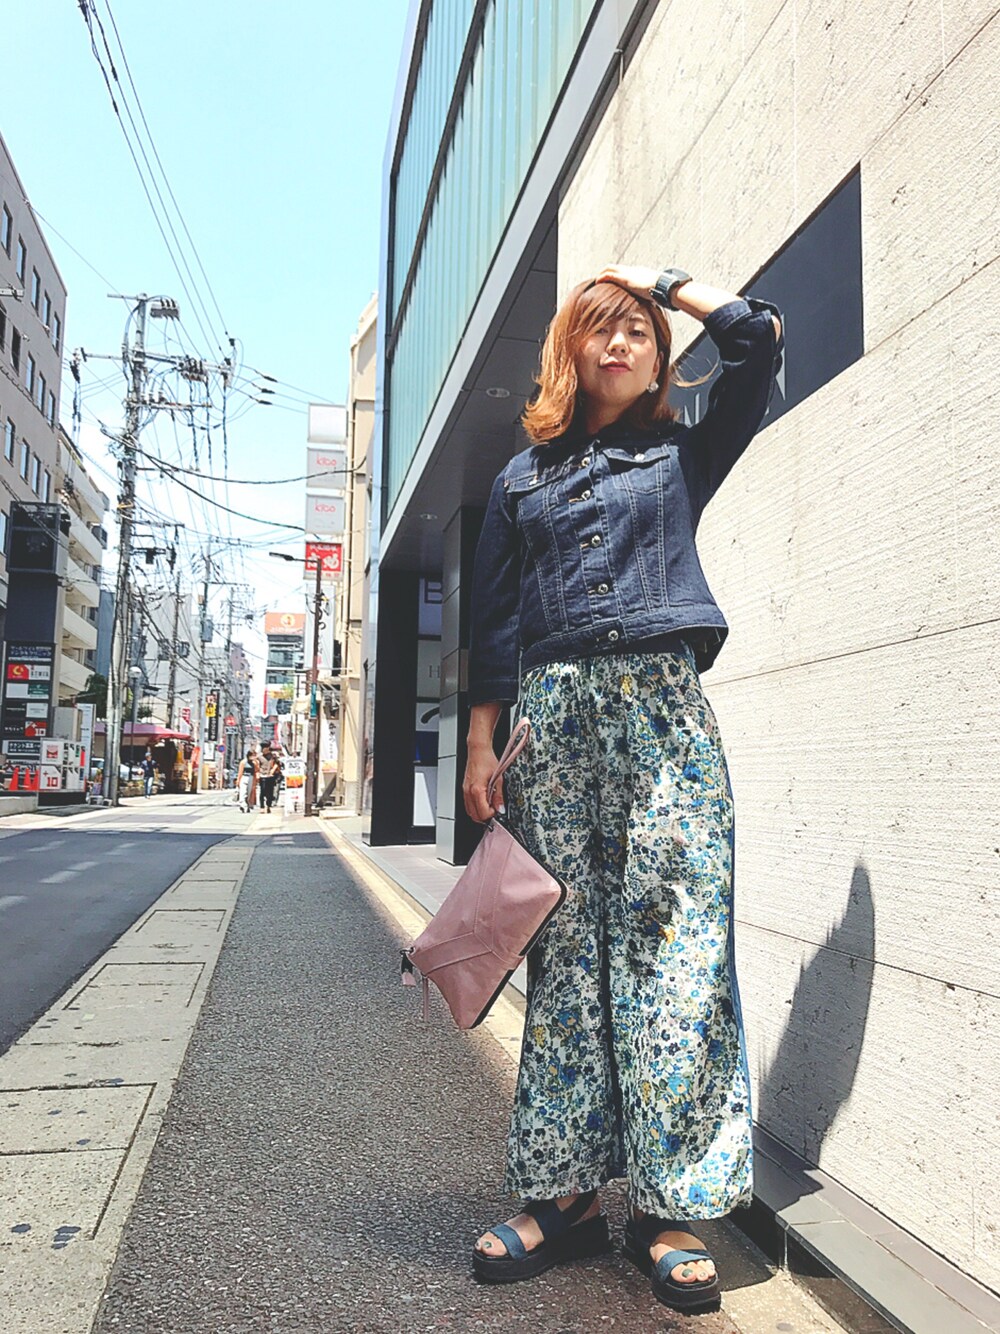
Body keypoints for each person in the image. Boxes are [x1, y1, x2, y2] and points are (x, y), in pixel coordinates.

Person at [464, 265, 783, 1313]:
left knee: (677, 951)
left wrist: (667, 286)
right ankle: (563, 1200)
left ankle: (667, 1205)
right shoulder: (520, 480)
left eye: (637, 332)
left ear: (657, 357)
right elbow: (493, 624)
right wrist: (480, 743)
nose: (620, 343)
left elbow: (755, 345)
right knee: (565, 955)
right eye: (599, 328)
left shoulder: (681, 452)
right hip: (553, 720)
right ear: (569, 350)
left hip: (662, 713)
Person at [235, 749, 256, 813]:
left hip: (251, 777)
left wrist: (255, 781)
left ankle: (248, 805)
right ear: (248, 755)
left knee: (249, 793)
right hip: (244, 777)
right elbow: (240, 772)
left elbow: (255, 772)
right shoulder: (243, 762)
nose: (253, 757)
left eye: (254, 755)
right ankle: (242, 805)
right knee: (243, 792)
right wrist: (238, 780)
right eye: (252, 755)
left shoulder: (254, 763)